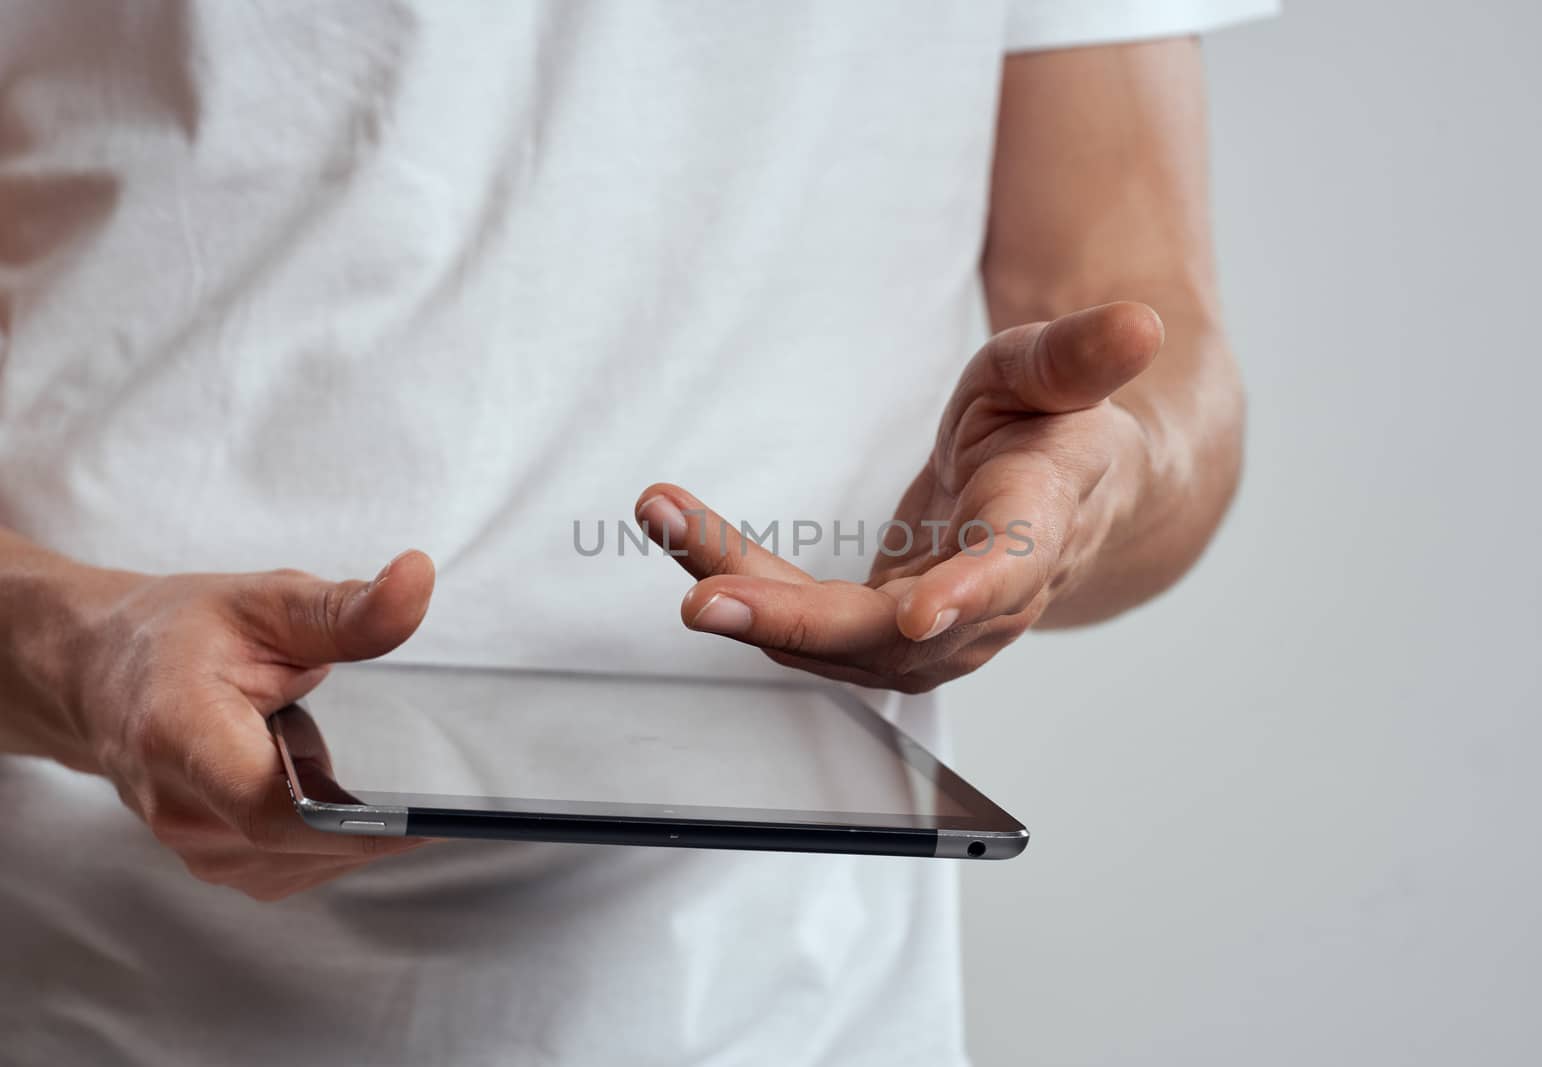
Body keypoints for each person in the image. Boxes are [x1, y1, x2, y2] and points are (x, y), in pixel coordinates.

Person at [0, 2, 1273, 1064]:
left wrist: (1073, 496)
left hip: (782, 1010)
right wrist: (77, 661)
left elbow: (1133, 343)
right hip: (82, 983)